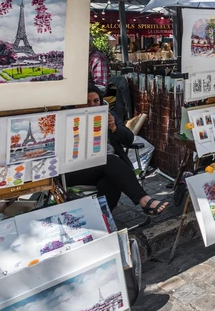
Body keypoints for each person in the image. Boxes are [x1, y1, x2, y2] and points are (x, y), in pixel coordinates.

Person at [69, 86, 169, 215]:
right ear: (77, 104)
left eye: (96, 101)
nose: (93, 105)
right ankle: (144, 199)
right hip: (77, 169)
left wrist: (114, 127)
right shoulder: (68, 119)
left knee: (110, 181)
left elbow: (129, 139)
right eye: (87, 102)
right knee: (109, 159)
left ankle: (103, 217)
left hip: (109, 169)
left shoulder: (107, 114)